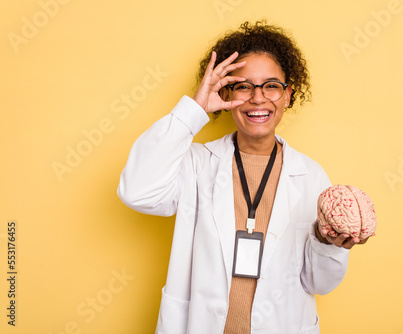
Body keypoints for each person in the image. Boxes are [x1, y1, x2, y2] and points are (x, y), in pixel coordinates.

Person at [117, 20, 368, 334]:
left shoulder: (310, 176)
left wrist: (328, 244)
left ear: (288, 94)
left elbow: (320, 283)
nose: (258, 98)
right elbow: (137, 191)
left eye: (271, 85)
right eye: (243, 85)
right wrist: (195, 109)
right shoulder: (197, 164)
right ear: (226, 92)